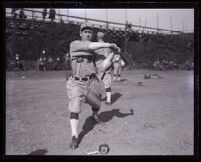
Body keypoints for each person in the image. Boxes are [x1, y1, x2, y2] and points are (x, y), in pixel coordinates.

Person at [66, 22, 120, 149]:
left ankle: (94, 115)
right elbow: (90, 46)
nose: (87, 33)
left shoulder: (95, 53)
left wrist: (112, 54)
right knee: (75, 107)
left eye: (90, 32)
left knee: (97, 103)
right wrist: (109, 44)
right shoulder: (75, 44)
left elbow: (103, 66)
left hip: (91, 81)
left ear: (92, 34)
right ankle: (74, 136)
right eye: (85, 31)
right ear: (80, 33)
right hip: (76, 82)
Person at [95, 32, 114, 105]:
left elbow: (94, 57)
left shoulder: (96, 45)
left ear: (97, 37)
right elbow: (112, 54)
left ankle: (95, 98)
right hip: (107, 67)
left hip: (98, 67)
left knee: (95, 84)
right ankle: (108, 100)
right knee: (107, 84)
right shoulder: (108, 46)